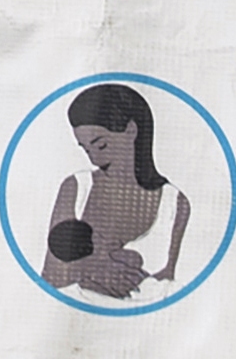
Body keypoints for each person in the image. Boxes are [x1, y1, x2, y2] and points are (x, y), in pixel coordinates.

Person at [41, 81, 191, 301]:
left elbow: (168, 283)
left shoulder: (175, 204)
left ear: (131, 130)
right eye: (86, 148)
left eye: (100, 145)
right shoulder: (76, 188)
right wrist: (94, 268)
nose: (93, 157)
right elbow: (50, 276)